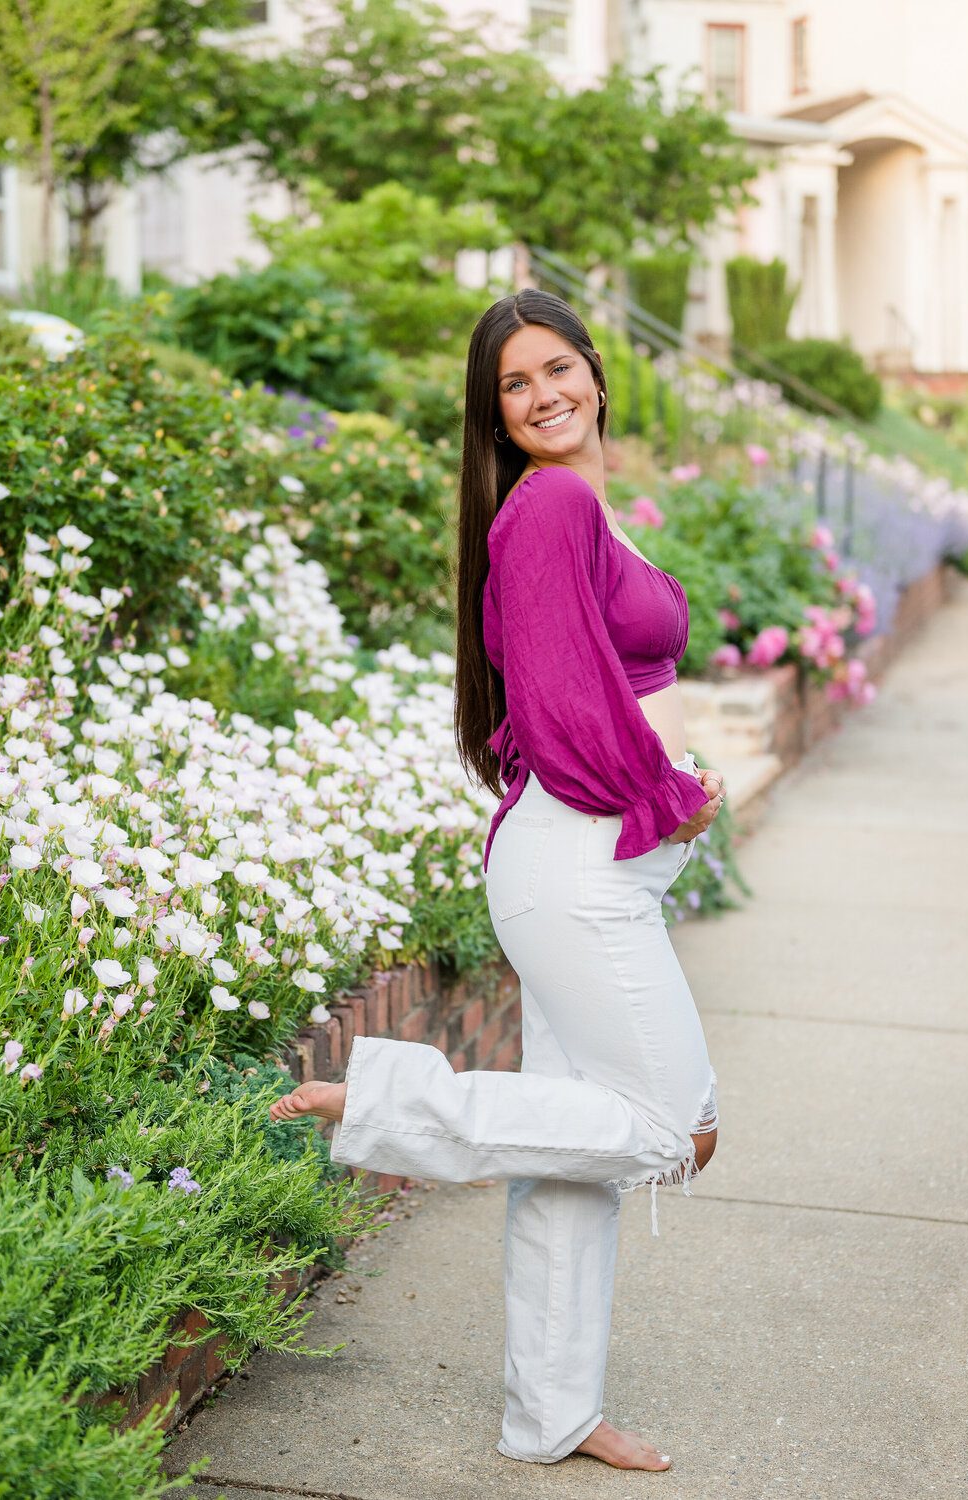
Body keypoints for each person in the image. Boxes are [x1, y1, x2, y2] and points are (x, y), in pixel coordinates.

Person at [270, 289, 725, 1473]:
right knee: (677, 1128)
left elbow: (567, 683)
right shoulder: (554, 501)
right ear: (496, 413)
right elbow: (567, 708)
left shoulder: (578, 506)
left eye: (559, 368)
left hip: (583, 863)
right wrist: (666, 790)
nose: (544, 395)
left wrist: (659, 789)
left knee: (575, 1168)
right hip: (579, 864)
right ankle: (380, 1101)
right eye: (515, 385)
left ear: (596, 373)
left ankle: (551, 1414)